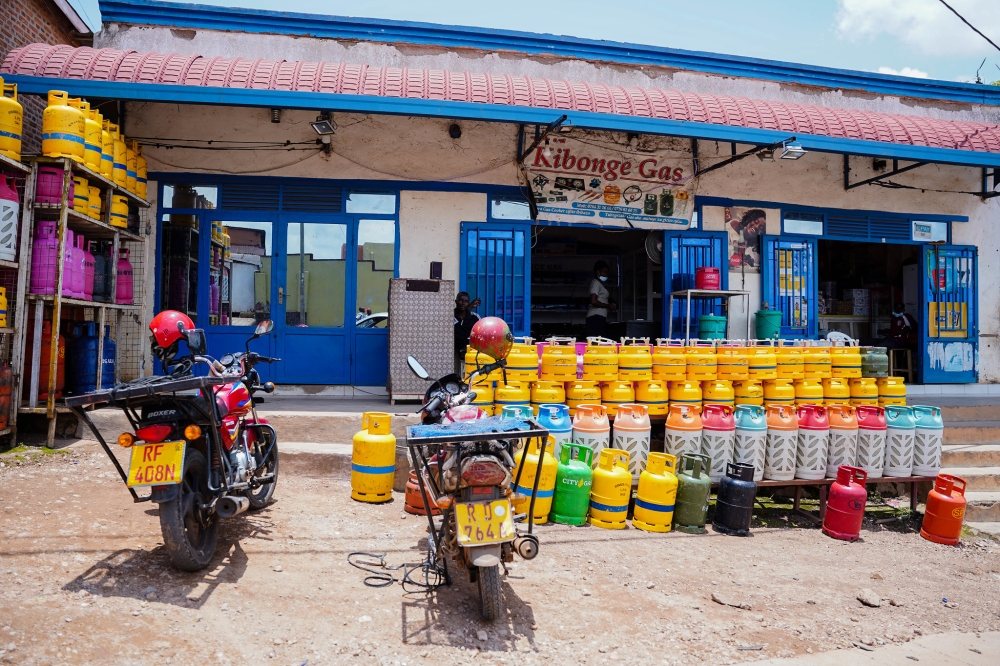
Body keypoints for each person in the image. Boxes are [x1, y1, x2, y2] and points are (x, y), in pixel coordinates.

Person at [586, 261, 616, 338]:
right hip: (596, 317)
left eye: (607, 272)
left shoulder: (599, 284)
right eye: (604, 271)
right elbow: (593, 301)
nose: (606, 274)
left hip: (599, 317)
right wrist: (608, 306)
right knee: (598, 343)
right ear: (598, 272)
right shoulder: (596, 283)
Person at [454, 292, 481, 370]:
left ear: (468, 303)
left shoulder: (475, 317)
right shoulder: (450, 316)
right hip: (454, 351)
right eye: (461, 300)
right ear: (456, 301)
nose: (463, 303)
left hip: (471, 351)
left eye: (466, 301)